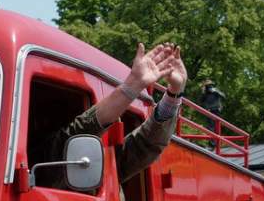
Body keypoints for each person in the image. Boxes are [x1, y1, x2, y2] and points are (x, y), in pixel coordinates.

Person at [43, 42, 188, 188]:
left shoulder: (106, 164)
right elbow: (76, 135)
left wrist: (173, 95)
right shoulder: (47, 164)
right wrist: (133, 86)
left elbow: (145, 146)